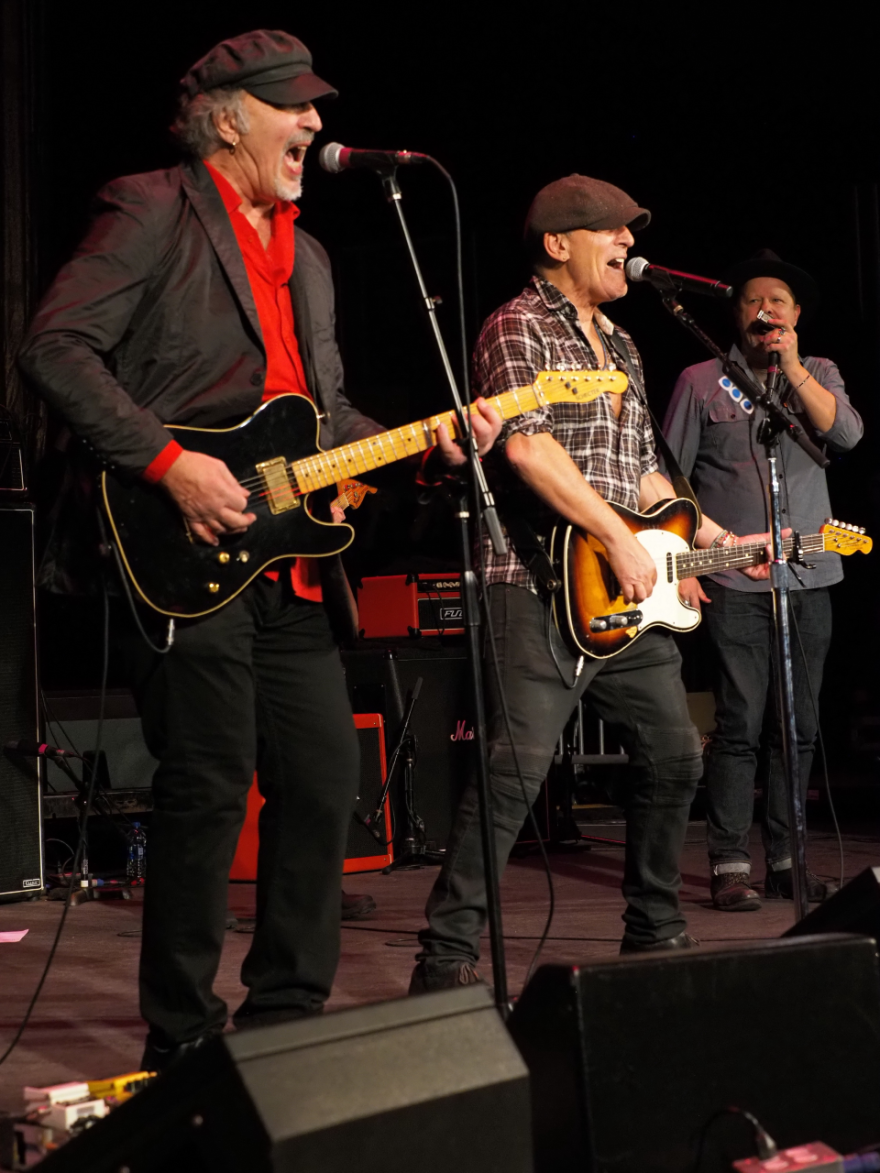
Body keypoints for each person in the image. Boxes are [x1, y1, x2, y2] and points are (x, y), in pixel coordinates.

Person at [19, 29, 499, 1068]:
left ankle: (284, 1020)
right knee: (208, 780)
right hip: (179, 544)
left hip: (289, 559)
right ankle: (183, 1034)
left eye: (318, 106)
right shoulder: (153, 207)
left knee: (325, 778)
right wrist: (166, 464)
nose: (317, 124)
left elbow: (319, 420)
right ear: (227, 118)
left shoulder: (312, 257)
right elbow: (55, 345)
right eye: (295, 105)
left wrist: (429, 446)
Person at [410, 175, 774, 989]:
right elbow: (527, 448)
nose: (628, 245)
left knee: (675, 754)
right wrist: (614, 537)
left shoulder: (622, 342)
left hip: (623, 594)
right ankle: (446, 959)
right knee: (516, 771)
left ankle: (654, 931)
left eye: (630, 233)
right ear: (558, 242)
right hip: (534, 579)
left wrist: (716, 538)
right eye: (613, 231)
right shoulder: (516, 325)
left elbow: (644, 472)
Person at [662, 249, 862, 911]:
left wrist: (797, 367)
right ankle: (728, 862)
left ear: (797, 315)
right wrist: (688, 559)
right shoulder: (700, 381)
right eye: (753, 300)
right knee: (741, 721)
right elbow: (668, 481)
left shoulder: (820, 372)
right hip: (732, 585)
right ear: (737, 312)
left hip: (809, 576)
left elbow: (849, 436)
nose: (766, 310)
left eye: (778, 300)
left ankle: (787, 858)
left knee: (797, 726)